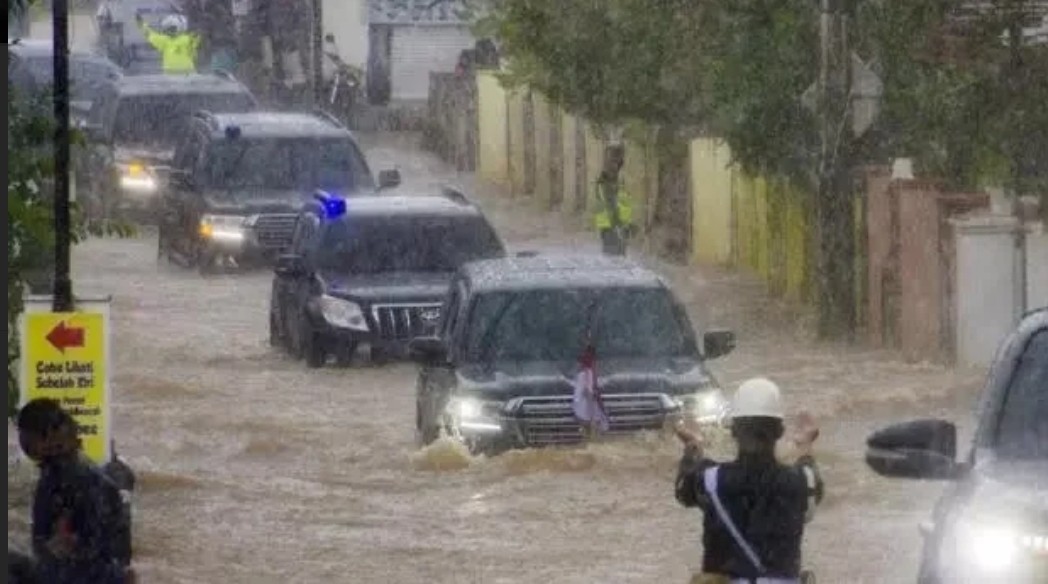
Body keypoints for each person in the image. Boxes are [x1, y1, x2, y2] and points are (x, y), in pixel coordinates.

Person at [674, 378, 823, 584]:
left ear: (733, 431)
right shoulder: (800, 482)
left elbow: (683, 490)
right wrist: (804, 443)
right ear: (779, 431)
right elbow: (811, 477)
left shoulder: (711, 480)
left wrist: (693, 445)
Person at [16, 398, 135, 584]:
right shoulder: (62, 471)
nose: (22, 442)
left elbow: (97, 548)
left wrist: (66, 544)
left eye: (25, 435)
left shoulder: (74, 478)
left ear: (46, 439)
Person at [594, 143, 634, 256]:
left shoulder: (614, 176)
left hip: (615, 221)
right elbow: (608, 201)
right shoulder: (607, 177)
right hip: (611, 221)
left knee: (615, 251)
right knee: (613, 252)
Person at [136, 12, 200, 74]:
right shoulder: (164, 40)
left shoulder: (188, 39)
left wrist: (141, 24)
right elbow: (148, 33)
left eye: (173, 28)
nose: (171, 31)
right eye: (170, 28)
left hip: (184, 73)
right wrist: (142, 24)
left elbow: (148, 33)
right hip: (176, 74)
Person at [572, 343, 610, 439]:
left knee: (595, 427)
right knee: (593, 427)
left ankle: (591, 434)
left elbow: (592, 391)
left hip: (588, 410)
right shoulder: (584, 375)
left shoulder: (589, 374)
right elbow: (586, 393)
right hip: (586, 409)